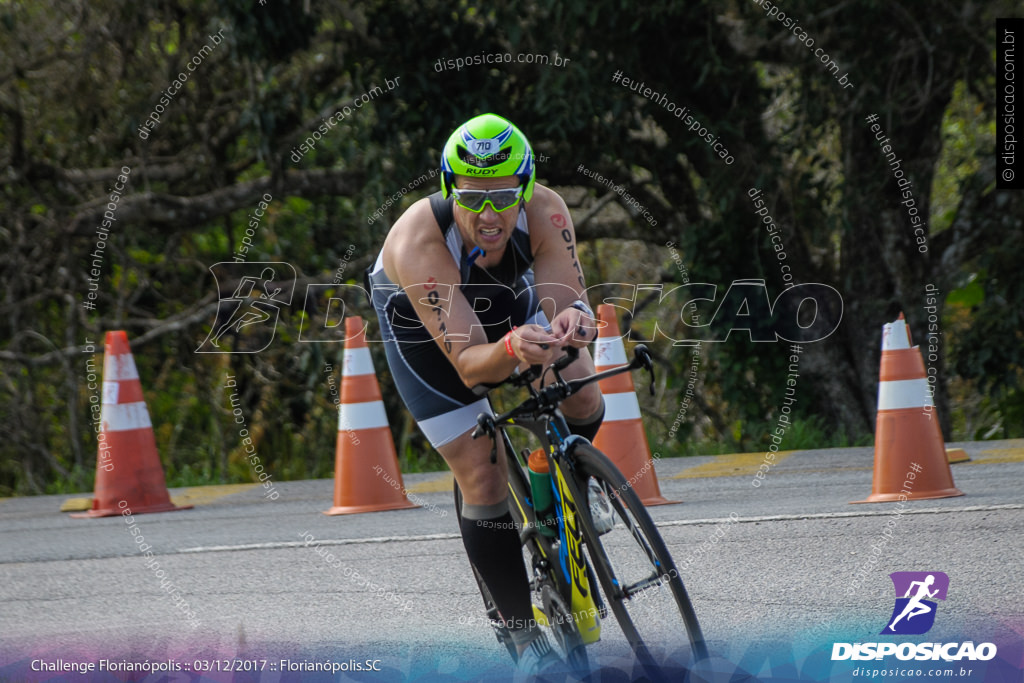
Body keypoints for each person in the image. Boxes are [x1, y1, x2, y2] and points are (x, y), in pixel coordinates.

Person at [367, 113, 604, 675]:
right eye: (472, 198)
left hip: (504, 302)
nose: (489, 214)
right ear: (450, 190)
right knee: (483, 469)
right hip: (429, 334)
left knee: (583, 395)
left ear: (524, 187)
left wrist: (575, 322)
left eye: (502, 196)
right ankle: (522, 642)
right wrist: (514, 350)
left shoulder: (546, 210)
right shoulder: (418, 241)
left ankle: (572, 482)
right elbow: (473, 366)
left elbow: (571, 302)